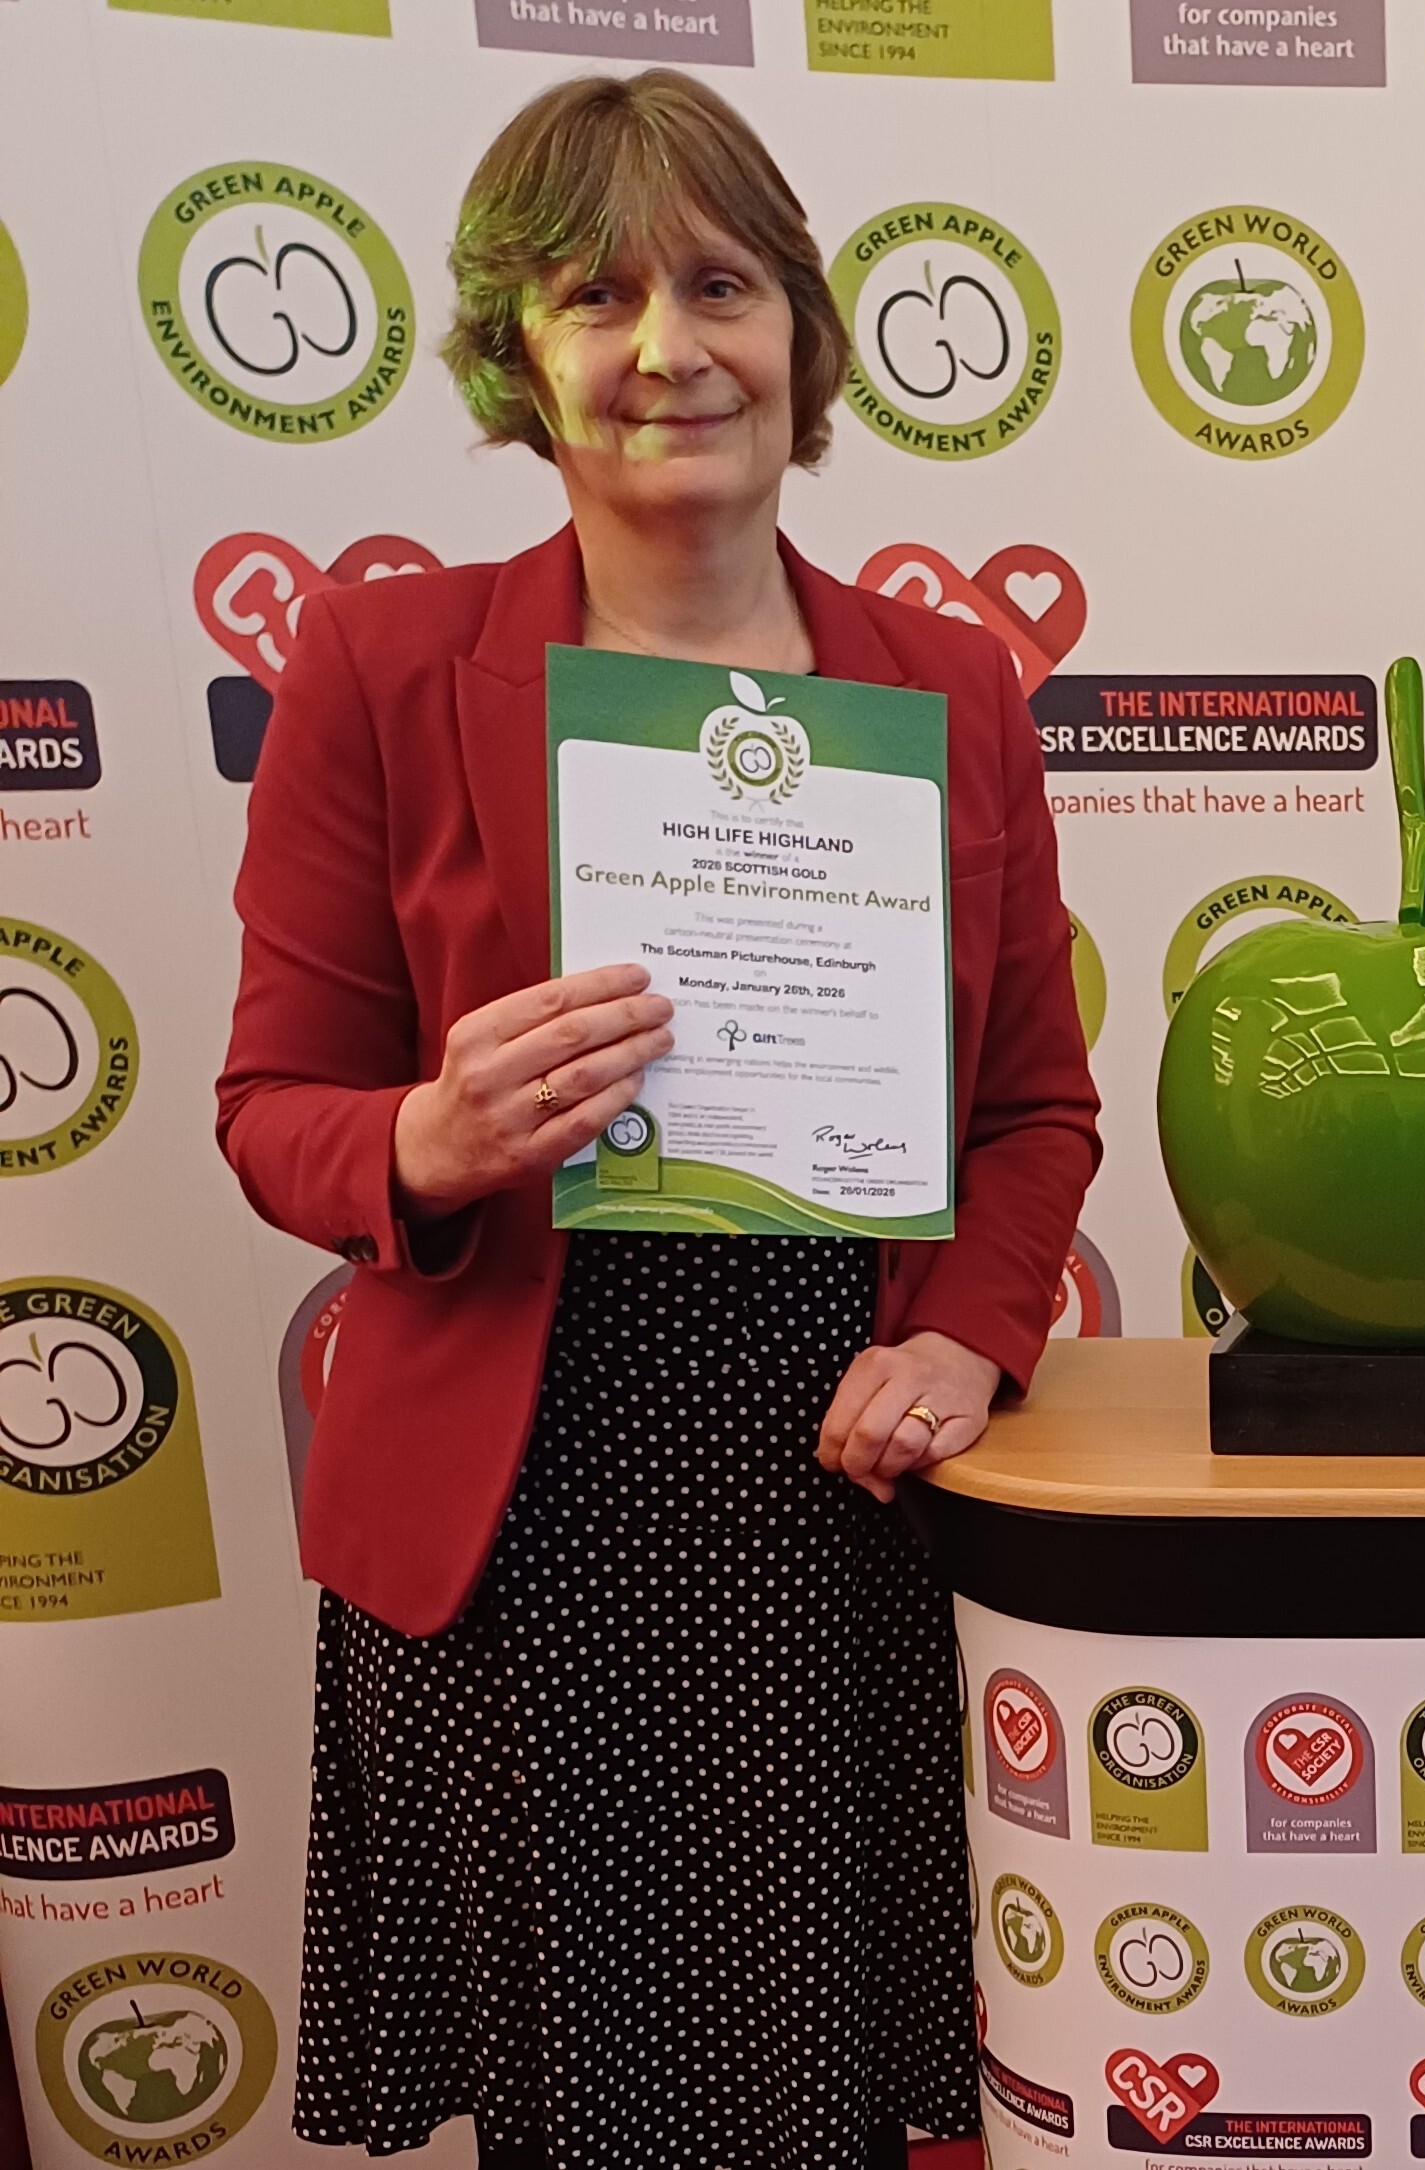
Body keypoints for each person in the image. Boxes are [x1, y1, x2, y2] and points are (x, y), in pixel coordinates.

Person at [216, 71, 1100, 2170]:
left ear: (799, 334)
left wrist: (970, 1331)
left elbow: (1037, 1103)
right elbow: (273, 1109)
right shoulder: (380, 661)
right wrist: (429, 1138)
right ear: (522, 357)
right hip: (527, 1506)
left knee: (845, 2084)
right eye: (594, 295)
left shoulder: (949, 685)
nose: (664, 347)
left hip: (845, 1476)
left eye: (718, 283)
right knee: (586, 2102)